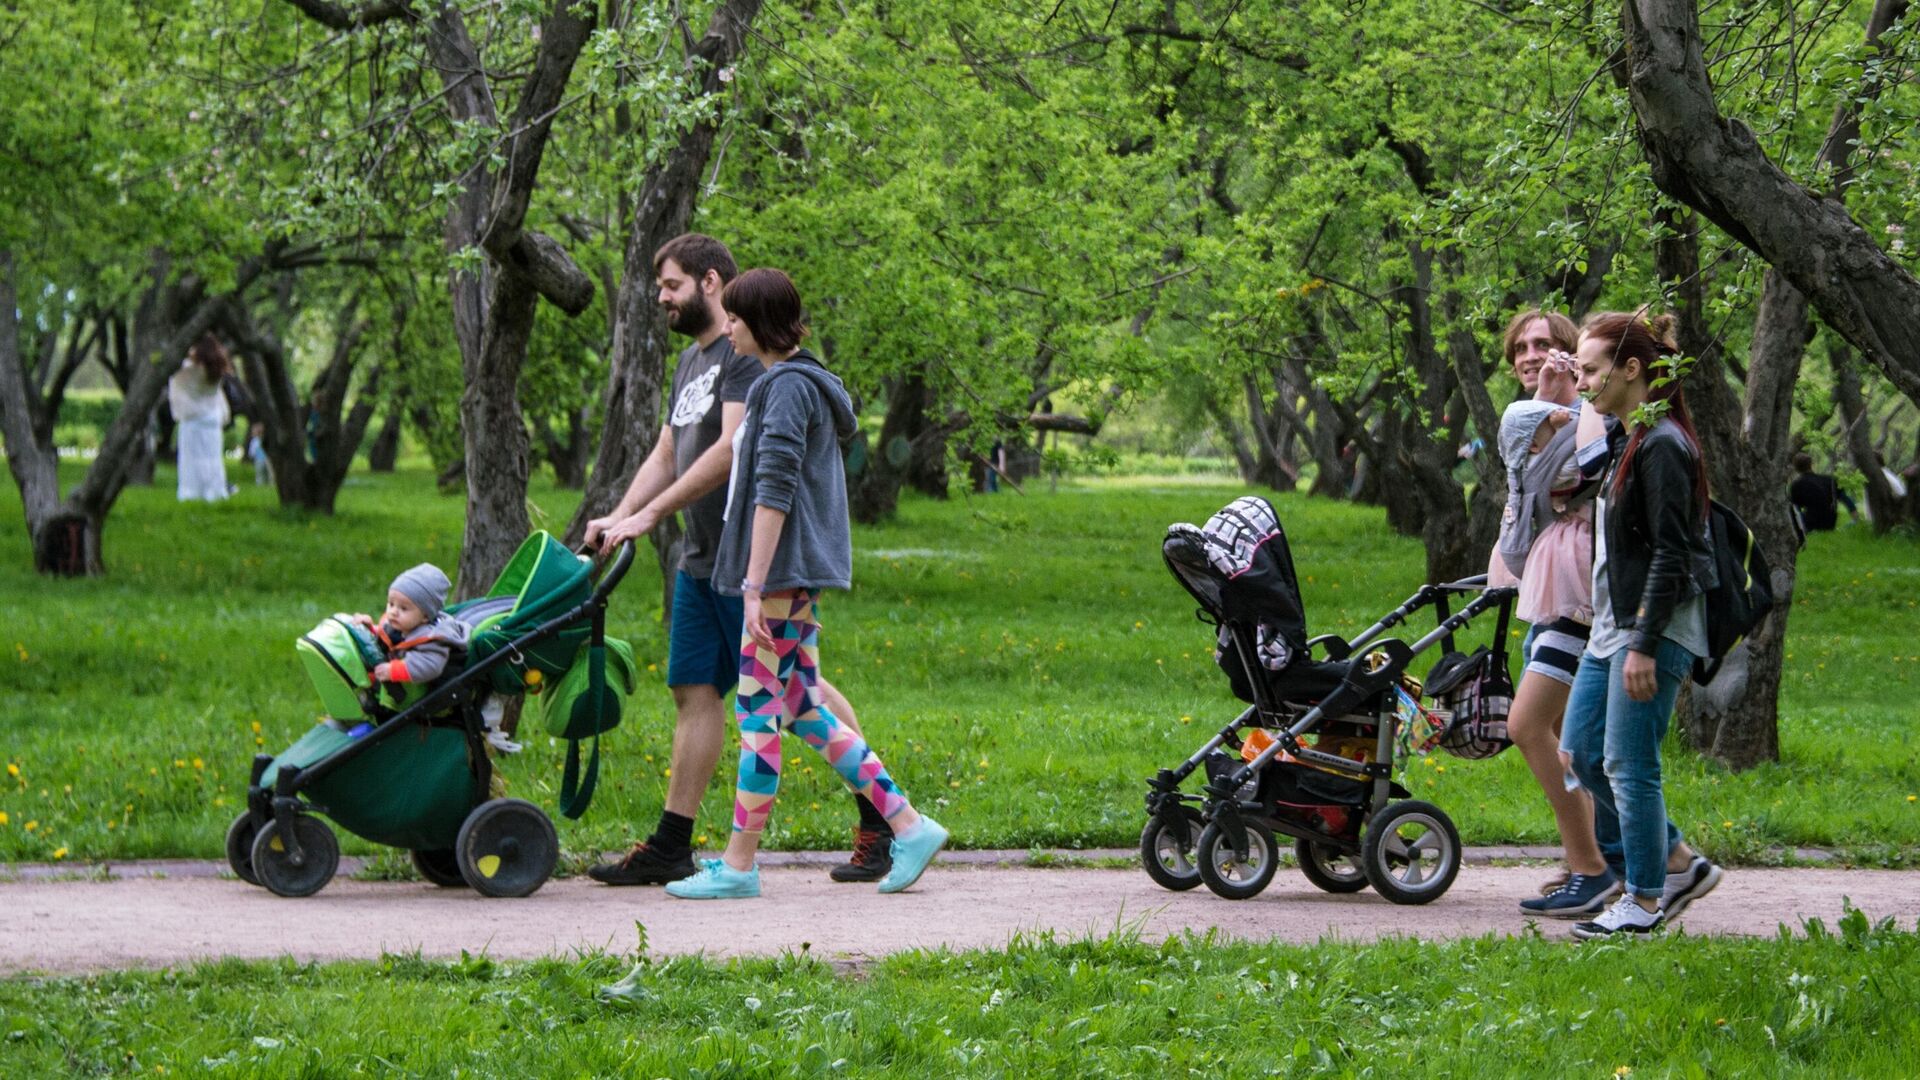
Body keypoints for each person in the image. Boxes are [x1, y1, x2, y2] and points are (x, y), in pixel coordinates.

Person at [584, 235, 894, 887]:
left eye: (670, 284)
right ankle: (673, 842)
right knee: (695, 691)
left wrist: (650, 517)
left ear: (711, 282)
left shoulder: (748, 356)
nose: (660, 296)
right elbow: (668, 450)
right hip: (703, 559)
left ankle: (881, 819)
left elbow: (731, 451)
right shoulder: (691, 364)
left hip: (751, 554)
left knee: (795, 693)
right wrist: (624, 512)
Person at [664, 268, 947, 899]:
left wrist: (753, 585)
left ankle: (739, 866)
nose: (727, 326)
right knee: (804, 708)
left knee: (759, 715)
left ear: (757, 322)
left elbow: (775, 488)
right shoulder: (789, 381)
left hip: (779, 575)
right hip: (788, 575)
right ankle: (909, 823)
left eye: (734, 318)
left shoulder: (786, 388)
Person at [1561, 310, 1724, 939]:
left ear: (1633, 370)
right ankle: (1677, 860)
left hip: (1651, 629)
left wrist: (1643, 645)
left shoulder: (1662, 445)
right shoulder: (1632, 437)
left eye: (1592, 371)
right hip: (1614, 626)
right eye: (1579, 371)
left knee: (1629, 764)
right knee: (1581, 753)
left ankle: (1646, 900)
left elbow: (1671, 553)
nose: (1583, 384)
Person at [1482, 310, 1615, 918]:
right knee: (1565, 742)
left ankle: (1597, 865)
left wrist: (1566, 402)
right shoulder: (1526, 417)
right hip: (1550, 589)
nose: (1533, 355)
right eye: (1522, 349)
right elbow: (1525, 492)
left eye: (1547, 345)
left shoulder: (1592, 412)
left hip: (1580, 592)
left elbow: (1570, 476)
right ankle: (1588, 858)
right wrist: (1547, 403)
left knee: (1528, 726)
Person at [349, 563, 471, 689]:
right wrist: (369, 629)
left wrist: (394, 671)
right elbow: (388, 639)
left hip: (422, 691)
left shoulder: (431, 639)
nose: (394, 612)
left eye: (403, 608)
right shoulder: (401, 625)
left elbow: (430, 666)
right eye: (391, 604)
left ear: (425, 616)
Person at [168, 334, 233, 502]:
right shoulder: (217, 369)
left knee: (191, 460)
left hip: (193, 418)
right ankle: (214, 492)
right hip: (213, 417)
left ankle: (192, 493)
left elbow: (175, 380)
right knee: (213, 459)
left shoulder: (188, 370)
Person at [1787, 452, 1856, 531]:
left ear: (1796, 468)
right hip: (1830, 522)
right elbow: (1845, 499)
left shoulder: (1796, 485)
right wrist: (1855, 518)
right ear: (1811, 464)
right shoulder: (1829, 480)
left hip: (1810, 523)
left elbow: (1796, 508)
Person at [246, 422, 272, 487]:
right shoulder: (255, 440)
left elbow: (252, 451)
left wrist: (251, 455)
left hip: (264, 459)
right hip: (260, 459)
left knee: (266, 473)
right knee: (261, 473)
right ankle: (262, 485)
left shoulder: (259, 440)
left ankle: (267, 485)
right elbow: (252, 451)